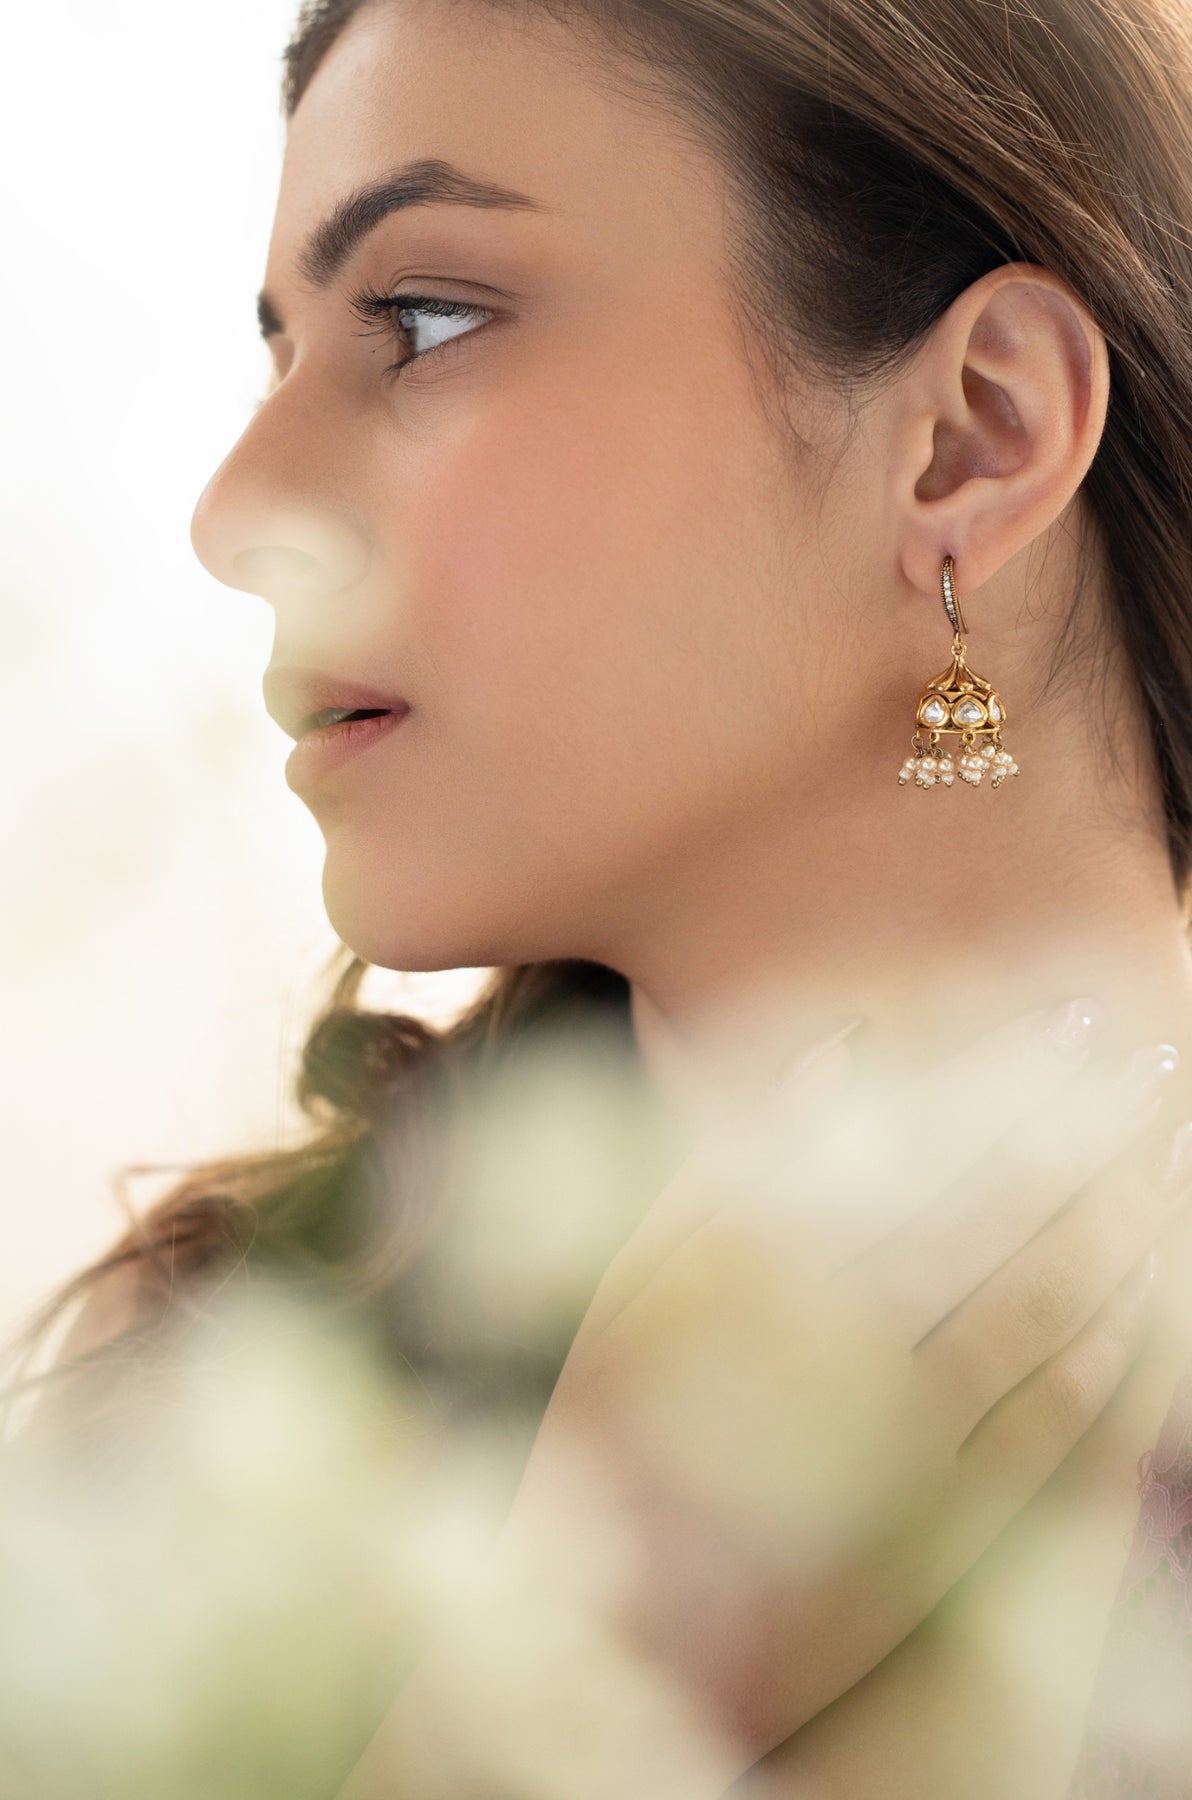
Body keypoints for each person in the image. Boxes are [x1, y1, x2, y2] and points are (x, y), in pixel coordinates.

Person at [3, 0, 1192, 1792]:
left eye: (423, 319)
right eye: (279, 356)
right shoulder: (226, 1378)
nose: (236, 509)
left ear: (975, 434)